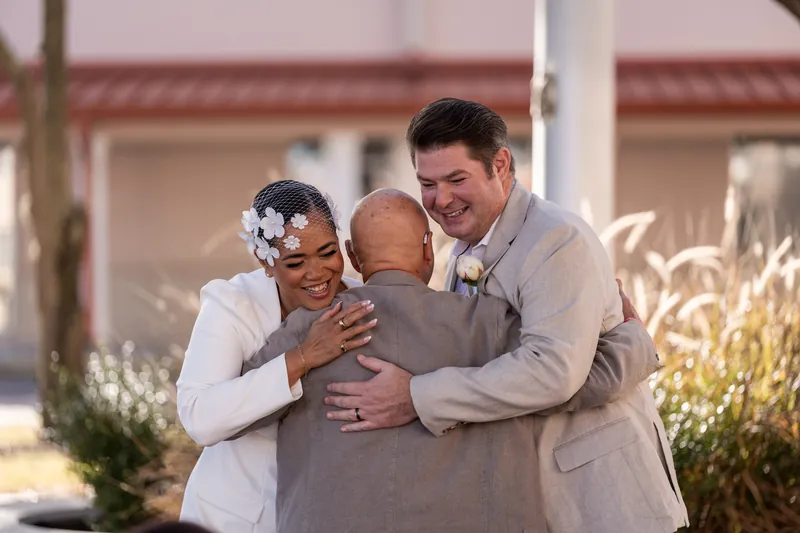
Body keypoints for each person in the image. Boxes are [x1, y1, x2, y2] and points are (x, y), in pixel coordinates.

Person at [324, 99, 689, 532]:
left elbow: (553, 372)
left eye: (456, 179)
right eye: (427, 183)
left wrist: (417, 396)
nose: (440, 200)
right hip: (525, 498)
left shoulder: (555, 241)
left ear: (500, 164)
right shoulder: (464, 249)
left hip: (598, 500)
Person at [236, 189, 660, 533]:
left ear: (352, 254)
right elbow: (575, 379)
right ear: (427, 250)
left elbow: (238, 411)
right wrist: (634, 339)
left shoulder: (309, 332)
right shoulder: (487, 325)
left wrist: (305, 356)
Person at [175, 180, 377, 533]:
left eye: (328, 253)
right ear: (266, 262)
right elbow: (199, 417)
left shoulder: (364, 301)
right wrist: (303, 356)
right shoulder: (233, 305)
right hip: (231, 518)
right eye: (296, 261)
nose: (317, 273)